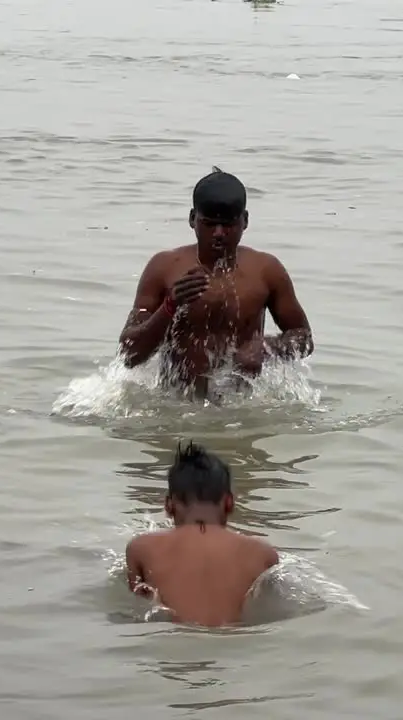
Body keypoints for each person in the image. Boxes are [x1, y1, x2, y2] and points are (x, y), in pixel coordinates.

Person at [117, 167, 314, 399]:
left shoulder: (267, 271)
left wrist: (268, 349)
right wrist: (169, 306)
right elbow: (129, 355)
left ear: (245, 221)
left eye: (228, 224)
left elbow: (304, 338)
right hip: (176, 407)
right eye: (209, 224)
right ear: (192, 219)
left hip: (240, 410)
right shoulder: (164, 269)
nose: (219, 233)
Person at [124, 442, 280, 627]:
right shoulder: (263, 554)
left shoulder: (141, 549)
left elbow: (136, 609)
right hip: (236, 648)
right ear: (229, 502)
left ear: (169, 505)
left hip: (173, 645)